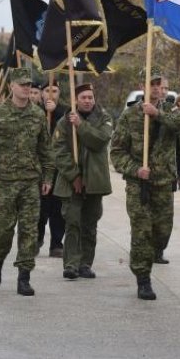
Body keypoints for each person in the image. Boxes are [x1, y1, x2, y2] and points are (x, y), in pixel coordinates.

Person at [0, 68, 52, 296]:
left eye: (29, 85)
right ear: (11, 86)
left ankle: (24, 277)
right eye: (22, 84)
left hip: (30, 182)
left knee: (29, 231)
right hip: (5, 182)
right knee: (3, 231)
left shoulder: (38, 115)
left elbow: (46, 150)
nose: (27, 88)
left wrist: (47, 177)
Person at [111, 67, 180, 300]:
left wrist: (157, 115)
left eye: (158, 84)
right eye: (150, 84)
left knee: (162, 232)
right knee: (142, 232)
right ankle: (143, 279)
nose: (155, 88)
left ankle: (153, 254)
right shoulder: (130, 116)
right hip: (138, 184)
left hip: (163, 182)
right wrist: (134, 169)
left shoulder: (172, 110)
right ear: (142, 86)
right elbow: (117, 152)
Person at [52, 83, 113, 281]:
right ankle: (70, 264)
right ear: (76, 100)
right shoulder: (64, 121)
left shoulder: (104, 118)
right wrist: (74, 176)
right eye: (83, 97)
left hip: (95, 182)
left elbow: (100, 140)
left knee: (89, 225)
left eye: (90, 97)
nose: (87, 101)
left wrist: (81, 125)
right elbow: (59, 151)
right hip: (71, 183)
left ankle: (85, 264)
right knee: (72, 223)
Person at [37, 79, 67, 253]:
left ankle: (56, 243)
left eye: (54, 91)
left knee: (58, 209)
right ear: (41, 93)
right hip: (39, 168)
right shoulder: (35, 112)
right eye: (47, 90)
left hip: (59, 168)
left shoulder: (65, 111)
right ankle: (38, 238)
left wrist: (54, 113)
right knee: (39, 209)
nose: (50, 94)